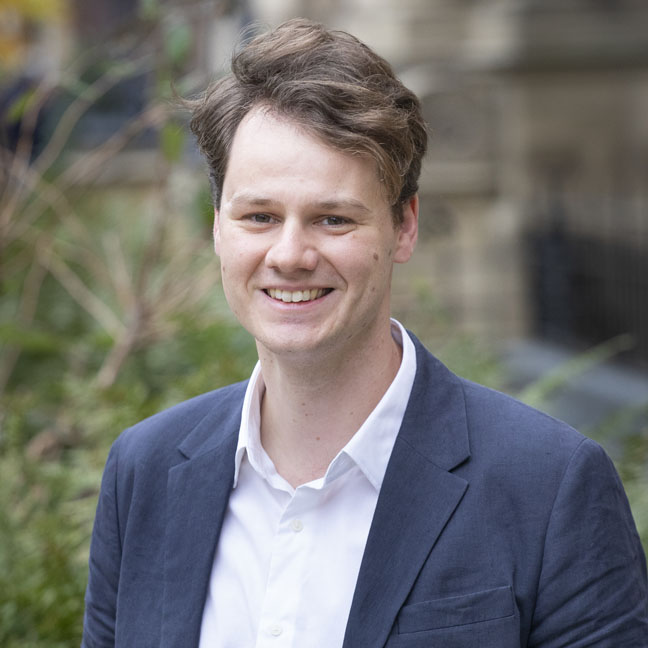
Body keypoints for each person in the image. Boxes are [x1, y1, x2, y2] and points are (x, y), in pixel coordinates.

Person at [82, 18, 648, 648]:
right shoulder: (144, 472)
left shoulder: (549, 484)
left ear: (404, 226)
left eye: (333, 219)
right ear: (218, 226)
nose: (290, 255)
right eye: (259, 216)